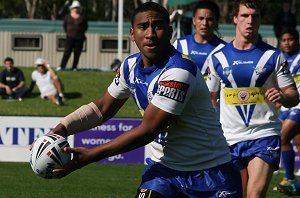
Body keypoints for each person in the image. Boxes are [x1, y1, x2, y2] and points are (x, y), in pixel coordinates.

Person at [41, 2, 243, 197]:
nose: (150, 34)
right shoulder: (129, 66)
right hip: (163, 172)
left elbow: (148, 130)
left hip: (211, 174)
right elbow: (102, 108)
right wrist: (61, 128)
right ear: (132, 34)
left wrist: (91, 155)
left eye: (158, 26)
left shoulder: (179, 71)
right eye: (143, 26)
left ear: (170, 33)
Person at [206, 0, 299, 197]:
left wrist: (283, 96)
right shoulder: (217, 57)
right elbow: (209, 99)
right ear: (235, 19)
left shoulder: (274, 56)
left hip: (263, 134)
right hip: (228, 138)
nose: (250, 21)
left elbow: (293, 95)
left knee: (254, 195)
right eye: (245, 16)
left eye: (254, 16)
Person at [173, 0, 226, 79]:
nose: (204, 23)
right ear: (194, 20)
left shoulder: (223, 48)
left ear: (216, 22)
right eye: (201, 18)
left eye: (209, 19)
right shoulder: (179, 44)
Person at [276, 28, 300, 196]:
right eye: (284, 40)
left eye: (290, 39)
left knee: (284, 136)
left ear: (297, 40)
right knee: (292, 141)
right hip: (285, 105)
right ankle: (292, 179)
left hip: (298, 105)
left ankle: (290, 177)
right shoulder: (279, 58)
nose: (287, 43)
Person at [56, 0, 88, 71]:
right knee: (67, 52)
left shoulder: (83, 17)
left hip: (79, 38)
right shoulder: (67, 17)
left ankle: (74, 67)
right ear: (72, 8)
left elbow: (85, 27)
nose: (76, 9)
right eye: (75, 7)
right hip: (70, 37)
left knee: (77, 53)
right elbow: (64, 26)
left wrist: (81, 33)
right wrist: (68, 32)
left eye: (77, 7)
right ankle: (62, 66)